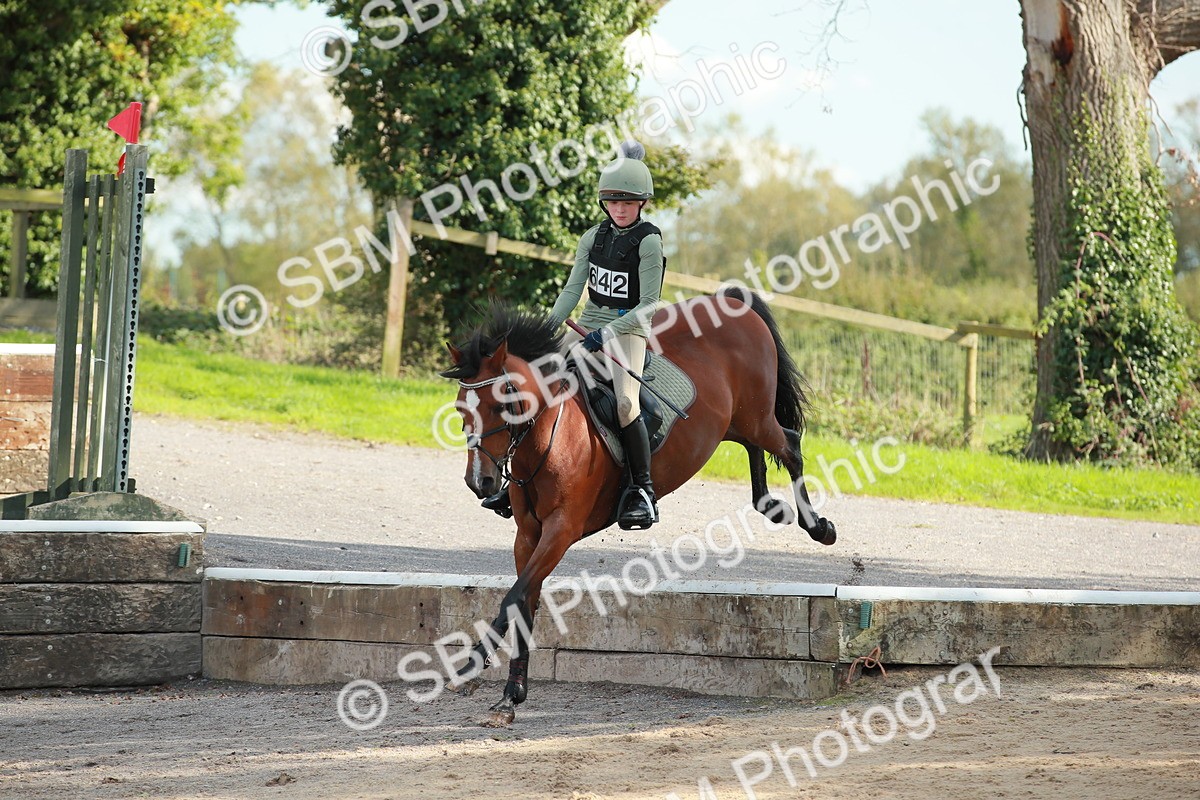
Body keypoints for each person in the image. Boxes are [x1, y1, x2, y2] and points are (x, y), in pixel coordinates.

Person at [481, 140, 664, 529]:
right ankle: (514, 479)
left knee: (626, 406)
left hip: (628, 330)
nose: (620, 210)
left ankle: (642, 491)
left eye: (628, 204)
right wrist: (546, 332)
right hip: (588, 322)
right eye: (613, 203)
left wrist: (607, 334)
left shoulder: (649, 241)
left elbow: (648, 304)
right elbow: (571, 291)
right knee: (533, 383)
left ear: (642, 204)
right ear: (604, 204)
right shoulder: (591, 238)